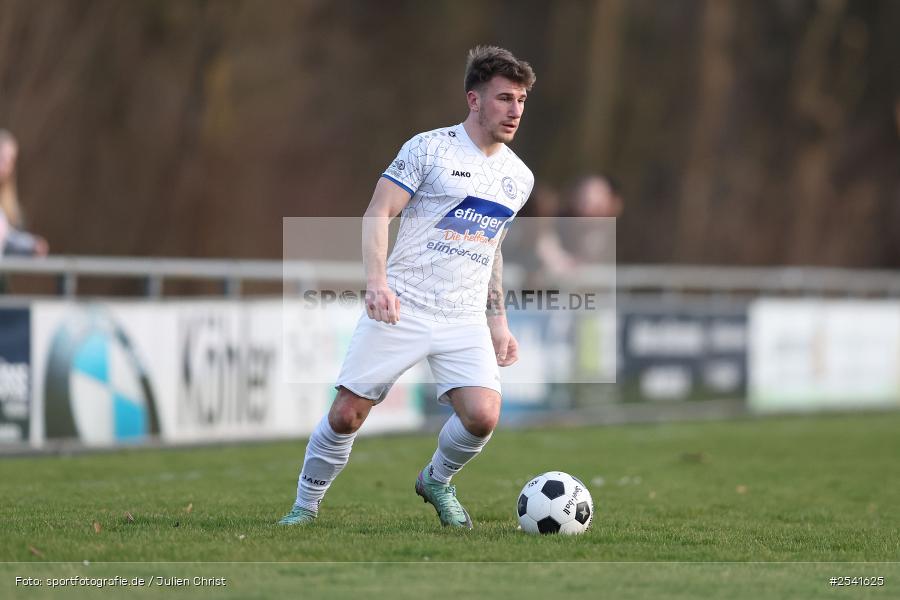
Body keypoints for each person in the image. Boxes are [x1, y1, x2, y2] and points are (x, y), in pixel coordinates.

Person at [279, 46, 536, 529]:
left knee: (483, 416)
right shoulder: (428, 149)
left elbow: (492, 247)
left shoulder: (519, 177)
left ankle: (436, 480)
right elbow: (378, 213)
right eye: (504, 98)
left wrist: (497, 322)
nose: (515, 110)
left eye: (521, 100)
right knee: (346, 416)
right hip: (404, 305)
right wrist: (377, 284)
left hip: (463, 317)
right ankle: (304, 508)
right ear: (474, 99)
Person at [0, 129, 48, 257]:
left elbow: (7, 238)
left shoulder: (8, 205)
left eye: (10, 160)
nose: (6, 165)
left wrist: (31, 245)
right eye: (2, 157)